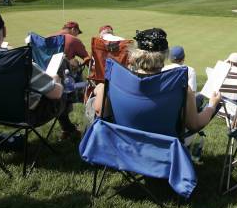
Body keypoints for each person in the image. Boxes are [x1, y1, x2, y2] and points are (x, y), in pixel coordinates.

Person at [0, 10, 79, 138]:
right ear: (5, 31)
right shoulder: (19, 61)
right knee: (62, 67)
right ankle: (68, 128)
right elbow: (56, 93)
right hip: (24, 115)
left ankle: (68, 128)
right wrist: (56, 79)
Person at [88, 28, 220, 132]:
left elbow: (99, 110)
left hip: (123, 145)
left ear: (135, 54)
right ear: (164, 56)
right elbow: (194, 125)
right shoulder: (182, 88)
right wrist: (211, 106)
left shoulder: (114, 79)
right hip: (164, 152)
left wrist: (101, 88)